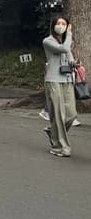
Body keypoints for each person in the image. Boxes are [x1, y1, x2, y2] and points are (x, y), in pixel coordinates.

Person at [42, 16, 78, 157]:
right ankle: (60, 147)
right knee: (58, 114)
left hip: (67, 80)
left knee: (71, 114)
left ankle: (53, 132)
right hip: (53, 80)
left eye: (64, 24)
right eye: (59, 23)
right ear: (53, 25)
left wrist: (75, 64)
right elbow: (63, 49)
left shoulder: (66, 43)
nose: (62, 26)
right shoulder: (48, 41)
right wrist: (69, 34)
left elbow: (69, 59)